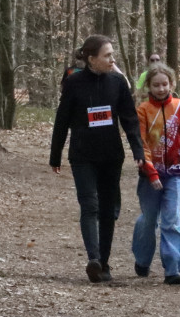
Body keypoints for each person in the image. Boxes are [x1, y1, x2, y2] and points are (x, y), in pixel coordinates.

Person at [50, 34, 145, 283]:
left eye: (113, 55)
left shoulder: (117, 82)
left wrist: (138, 151)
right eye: (107, 56)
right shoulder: (74, 83)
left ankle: (104, 262)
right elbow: (62, 120)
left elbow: (130, 120)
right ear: (91, 59)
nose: (112, 60)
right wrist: (55, 154)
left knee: (107, 209)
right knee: (89, 204)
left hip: (111, 155)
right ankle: (93, 258)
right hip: (83, 155)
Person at [132, 63, 180, 285]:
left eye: (164, 84)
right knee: (149, 219)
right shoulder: (142, 110)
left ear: (172, 84)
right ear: (149, 87)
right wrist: (150, 172)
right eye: (156, 85)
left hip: (174, 173)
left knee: (171, 219)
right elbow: (141, 142)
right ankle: (142, 259)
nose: (161, 89)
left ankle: (173, 268)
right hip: (149, 174)